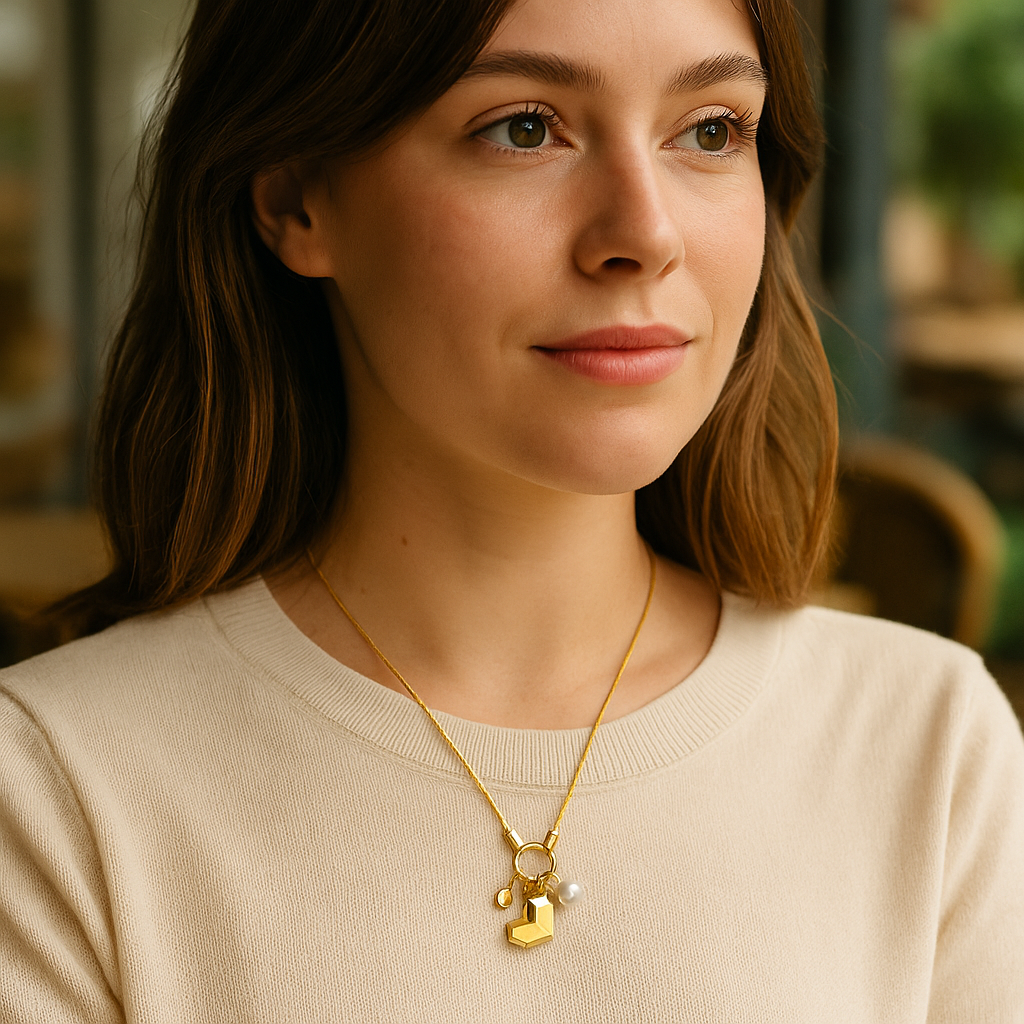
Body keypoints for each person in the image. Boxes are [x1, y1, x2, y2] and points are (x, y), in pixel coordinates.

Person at [2, 0, 1022, 1018]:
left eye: (709, 130)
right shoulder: (56, 794)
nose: (644, 234)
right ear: (296, 198)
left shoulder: (928, 753)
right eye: (524, 127)